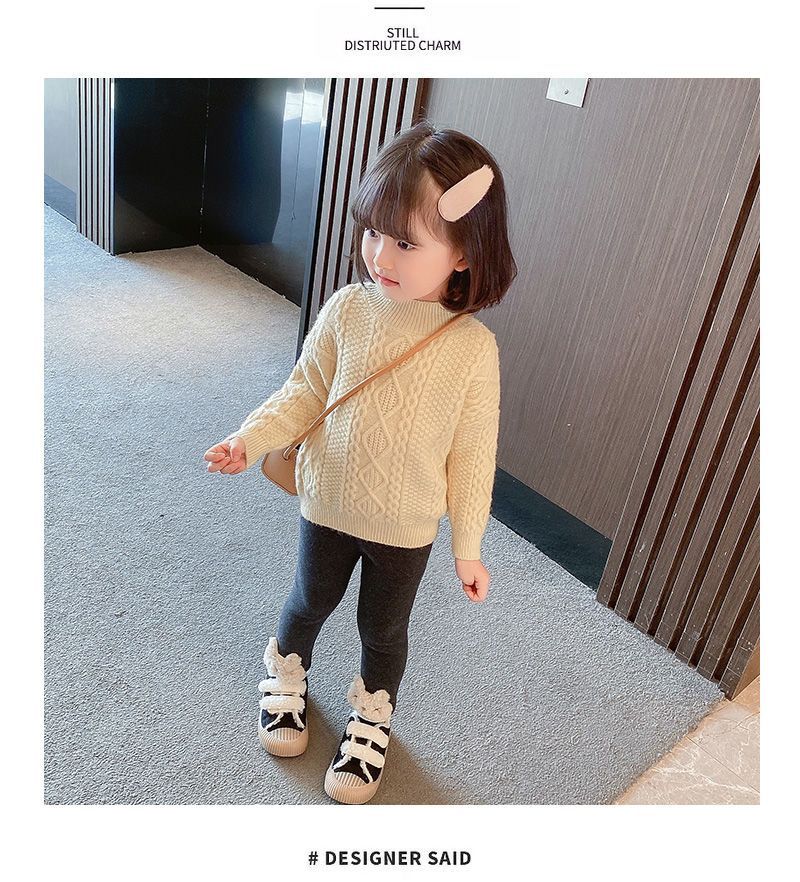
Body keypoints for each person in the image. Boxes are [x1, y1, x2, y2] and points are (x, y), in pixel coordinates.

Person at [203, 120, 517, 804]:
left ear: (465, 251)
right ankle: (286, 672)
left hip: (406, 526)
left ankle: (372, 717)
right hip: (328, 500)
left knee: (383, 629)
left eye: (406, 241)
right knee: (309, 599)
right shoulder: (348, 309)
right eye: (373, 231)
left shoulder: (474, 351)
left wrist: (468, 546)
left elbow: (473, 455)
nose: (380, 254)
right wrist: (249, 439)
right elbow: (304, 392)